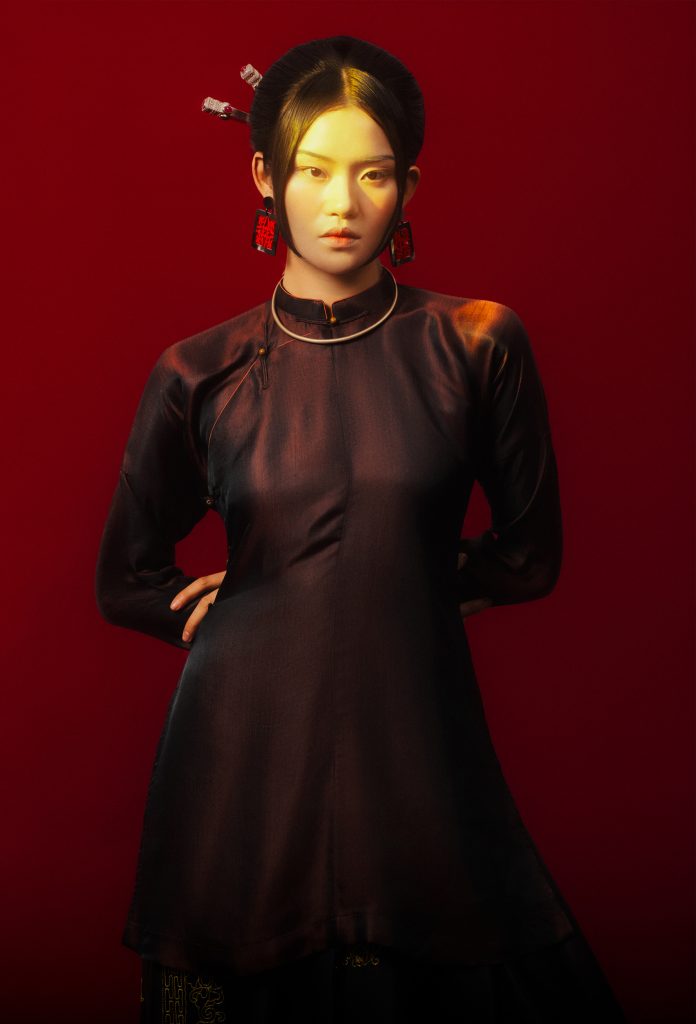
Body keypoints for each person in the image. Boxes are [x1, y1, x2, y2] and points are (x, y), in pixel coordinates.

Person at [95, 35, 628, 1024]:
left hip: (413, 742)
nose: (341, 202)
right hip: (238, 757)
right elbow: (124, 578)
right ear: (265, 177)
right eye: (313, 171)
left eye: (373, 174)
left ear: (409, 186)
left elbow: (529, 559)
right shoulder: (198, 372)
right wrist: (236, 603)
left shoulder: (476, 345)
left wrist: (390, 579)